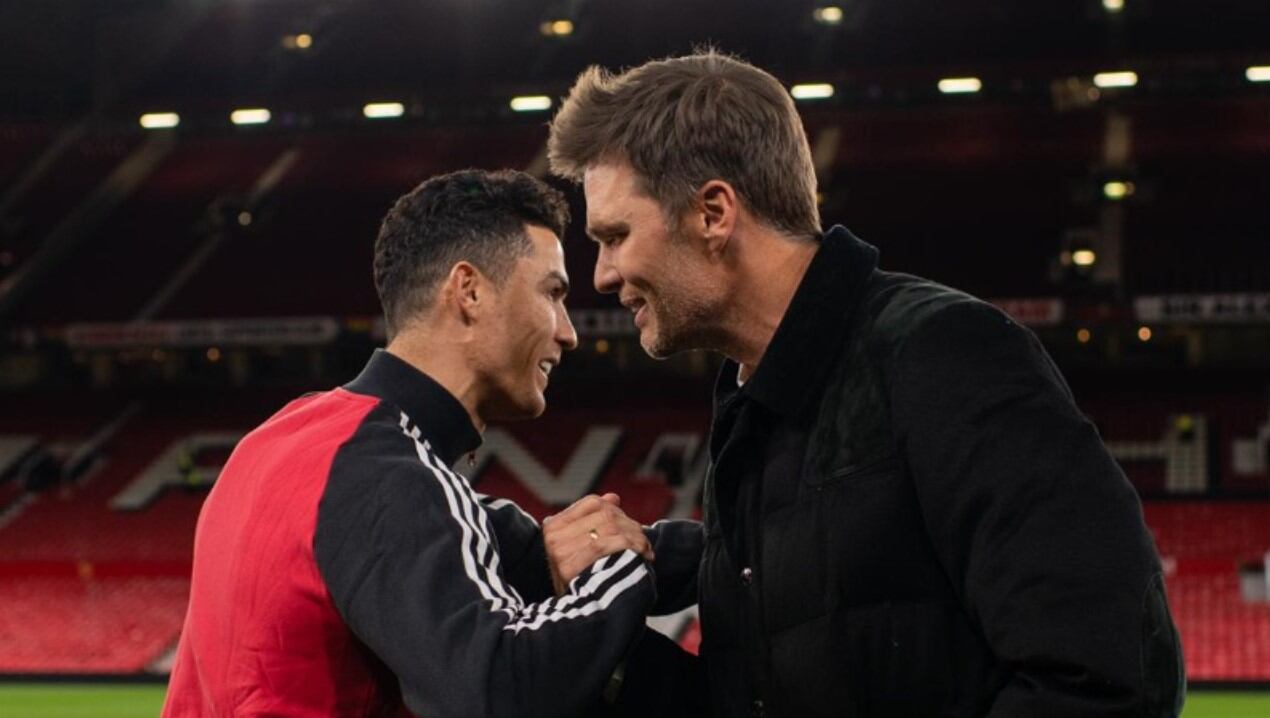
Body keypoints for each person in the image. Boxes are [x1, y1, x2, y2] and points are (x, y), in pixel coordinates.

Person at [547, 51, 1185, 716]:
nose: (602, 275)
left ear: (713, 213)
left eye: (615, 236)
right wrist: (602, 655)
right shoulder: (752, 409)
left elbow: (1107, 679)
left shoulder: (942, 353)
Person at [162, 169, 687, 718]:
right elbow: (502, 690)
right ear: (469, 291)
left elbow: (528, 552)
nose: (567, 332)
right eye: (552, 293)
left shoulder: (292, 436)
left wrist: (729, 546)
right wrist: (621, 571)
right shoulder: (388, 474)